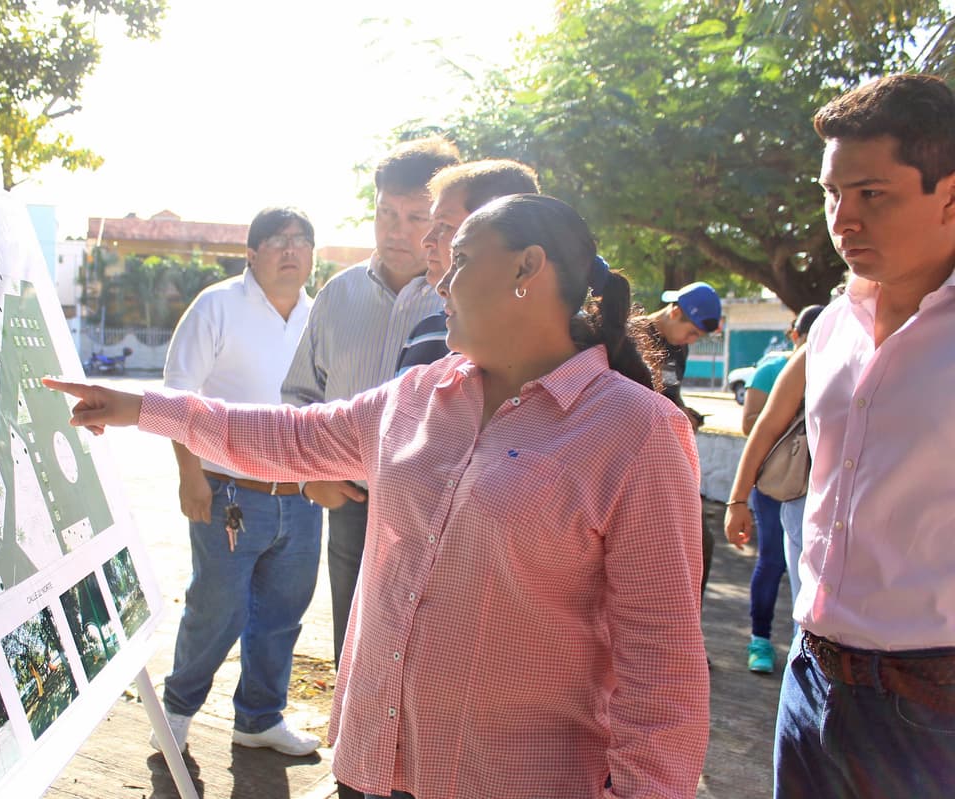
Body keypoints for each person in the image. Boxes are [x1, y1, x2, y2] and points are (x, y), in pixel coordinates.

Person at [45, 194, 709, 799]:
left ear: (526, 269)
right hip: (374, 767)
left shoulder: (635, 431)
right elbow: (291, 436)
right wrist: (144, 406)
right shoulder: (422, 394)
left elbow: (662, 666)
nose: (440, 284)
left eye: (461, 263)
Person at [772, 73, 955, 797]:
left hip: (929, 706)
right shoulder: (832, 327)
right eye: (830, 193)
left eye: (871, 194)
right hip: (811, 677)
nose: (842, 218)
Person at [280, 136, 460, 673]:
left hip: (443, 512)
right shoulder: (338, 295)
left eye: (415, 216)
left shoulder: (465, 295)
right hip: (353, 507)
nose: (396, 230)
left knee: (431, 659)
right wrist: (310, 475)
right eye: (385, 212)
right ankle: (352, 756)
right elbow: (299, 395)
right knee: (352, 648)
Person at [152, 207, 324, 756]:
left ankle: (258, 719)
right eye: (277, 240)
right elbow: (179, 398)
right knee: (217, 609)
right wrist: (190, 476)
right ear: (252, 254)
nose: (291, 250)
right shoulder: (217, 306)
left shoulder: (318, 316)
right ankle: (176, 711)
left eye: (302, 240)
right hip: (228, 493)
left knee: (280, 616)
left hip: (299, 498)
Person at [727, 304, 824, 674]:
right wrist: (738, 498)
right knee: (773, 561)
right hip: (782, 483)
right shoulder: (778, 367)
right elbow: (755, 425)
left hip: (825, 490)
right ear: (795, 334)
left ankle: (807, 658)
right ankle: (761, 640)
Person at [394, 158, 540, 374]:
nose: (427, 239)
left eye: (444, 225)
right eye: (431, 224)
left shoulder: (564, 347)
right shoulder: (423, 335)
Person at [634, 281, 721, 601]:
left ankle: (688, 632)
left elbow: (669, 396)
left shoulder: (677, 348)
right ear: (675, 311)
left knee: (699, 541)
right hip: (632, 460)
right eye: (692, 332)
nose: (691, 341)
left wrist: (686, 414)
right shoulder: (630, 336)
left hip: (665, 455)